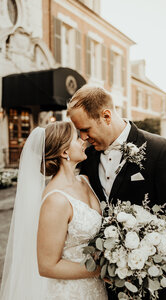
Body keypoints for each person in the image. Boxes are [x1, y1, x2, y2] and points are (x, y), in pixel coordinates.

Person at [67, 84, 166, 300]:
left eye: (86, 129)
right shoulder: (87, 158)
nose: (83, 137)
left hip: (151, 284)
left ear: (106, 116)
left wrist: (142, 264)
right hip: (103, 286)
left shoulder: (160, 150)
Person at [0, 121, 108, 300]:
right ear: (64, 152)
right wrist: (102, 269)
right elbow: (47, 266)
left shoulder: (85, 181)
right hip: (72, 292)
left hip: (96, 288)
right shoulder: (55, 200)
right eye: (76, 138)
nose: (83, 141)